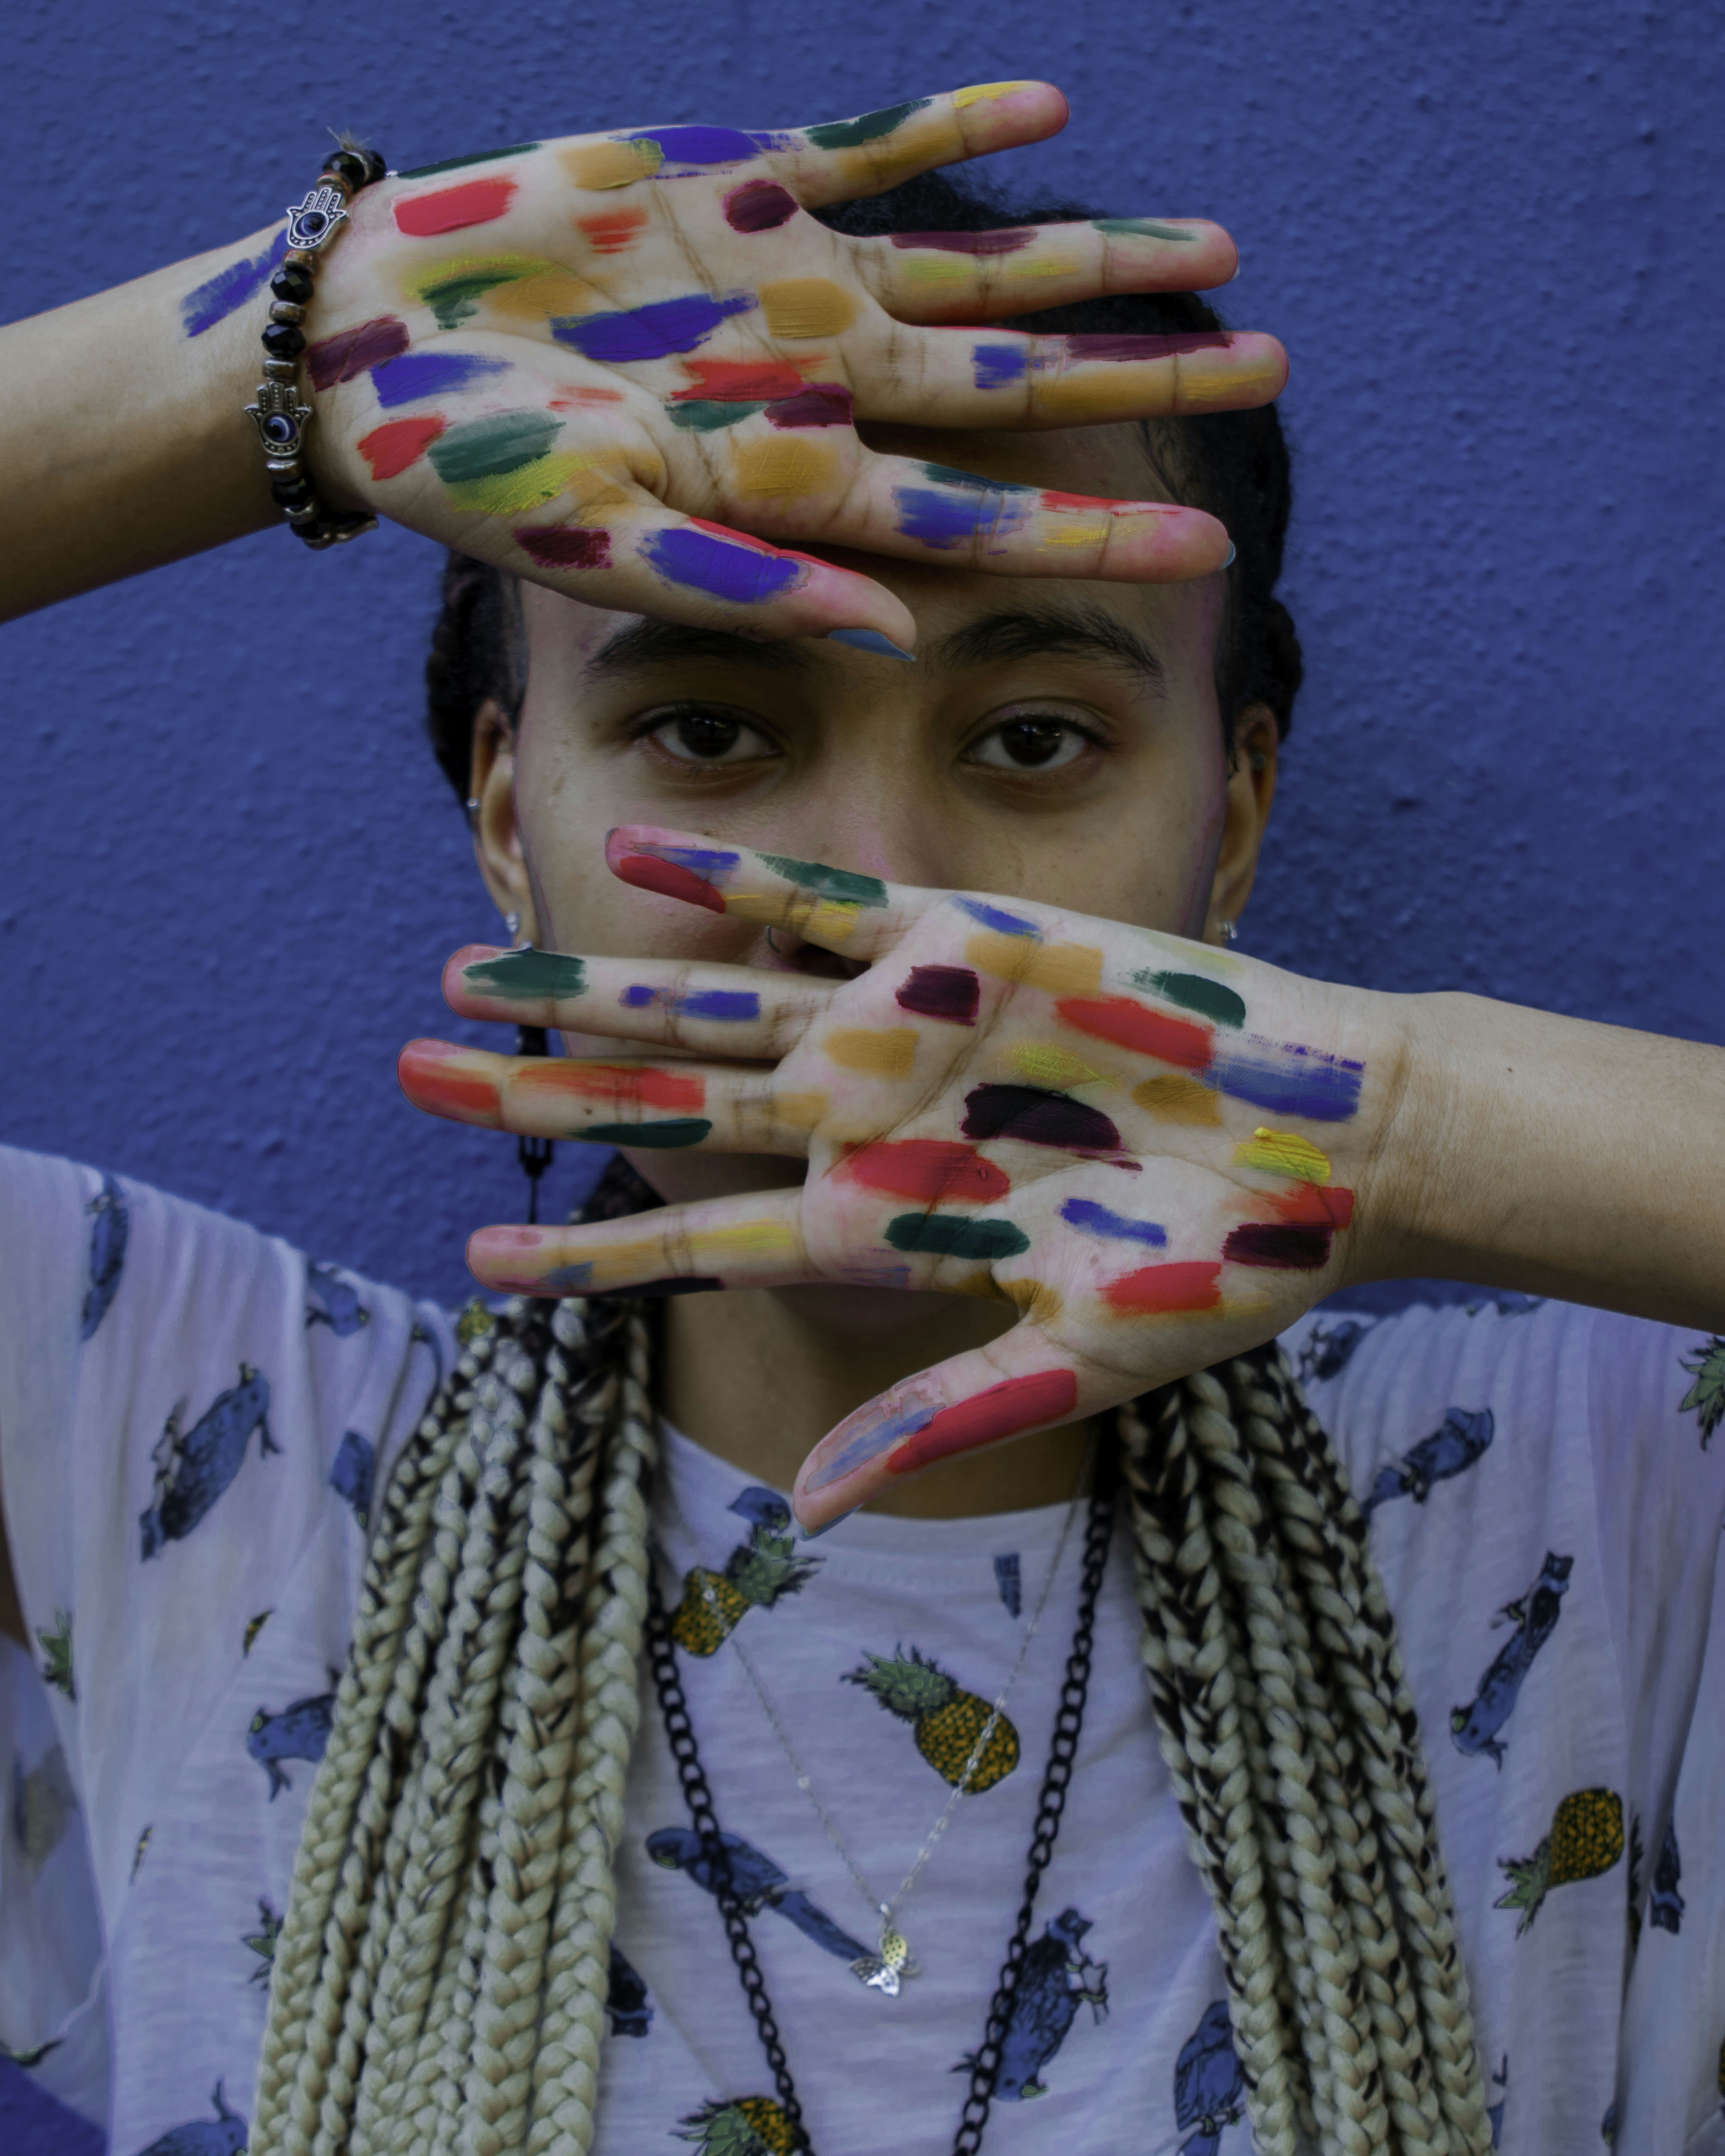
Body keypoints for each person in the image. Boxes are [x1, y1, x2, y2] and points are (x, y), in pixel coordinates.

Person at [0, 78, 1720, 2156]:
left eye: (1030, 735)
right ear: (500, 815)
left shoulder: (1604, 1507)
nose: (882, 904)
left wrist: (1424, 1125)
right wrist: (284, 347)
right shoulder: (168, 1450)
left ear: (1235, 817)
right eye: (709, 725)